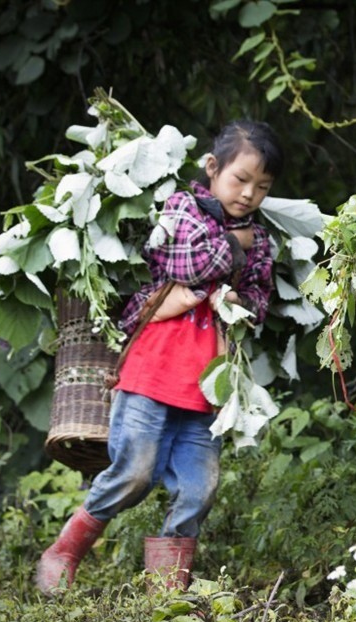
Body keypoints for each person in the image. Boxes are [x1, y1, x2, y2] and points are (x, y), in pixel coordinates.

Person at [35, 119, 282, 594]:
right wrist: (234, 245)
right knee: (134, 472)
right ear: (212, 168)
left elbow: (259, 301)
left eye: (263, 187)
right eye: (241, 179)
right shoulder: (182, 207)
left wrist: (239, 303)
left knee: (199, 489)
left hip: (208, 384)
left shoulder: (263, 240)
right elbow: (186, 263)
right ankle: (64, 550)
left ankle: (164, 594)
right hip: (153, 371)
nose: (249, 194)